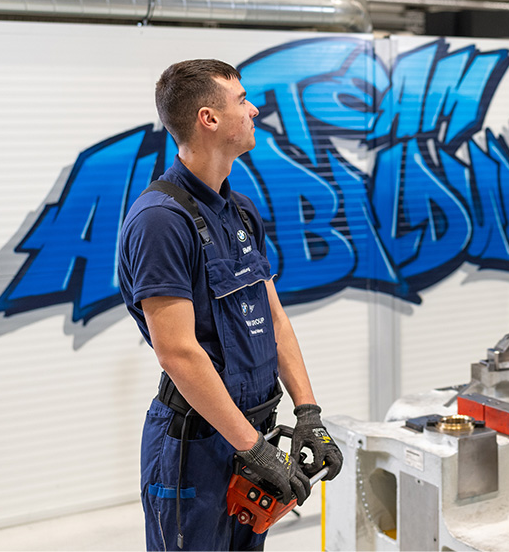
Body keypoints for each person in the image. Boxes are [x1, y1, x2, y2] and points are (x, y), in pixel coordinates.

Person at [119, 59, 342, 551]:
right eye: (242, 100)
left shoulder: (239, 210)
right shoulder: (161, 220)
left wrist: (307, 412)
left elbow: (273, 318)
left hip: (249, 434)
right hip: (195, 446)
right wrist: (253, 447)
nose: (255, 108)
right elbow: (176, 352)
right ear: (209, 118)